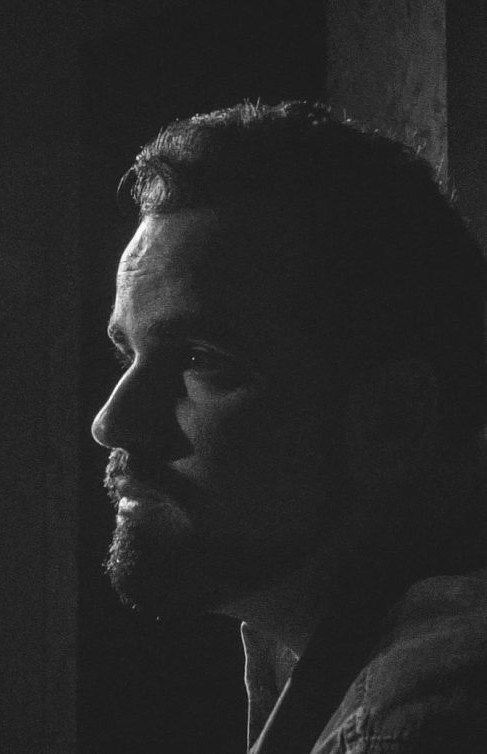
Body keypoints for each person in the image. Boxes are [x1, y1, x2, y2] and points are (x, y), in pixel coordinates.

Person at [90, 101, 487, 753]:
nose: (111, 423)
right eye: (125, 354)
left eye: (201, 360)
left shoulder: (429, 713)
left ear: (395, 418)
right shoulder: (318, 624)